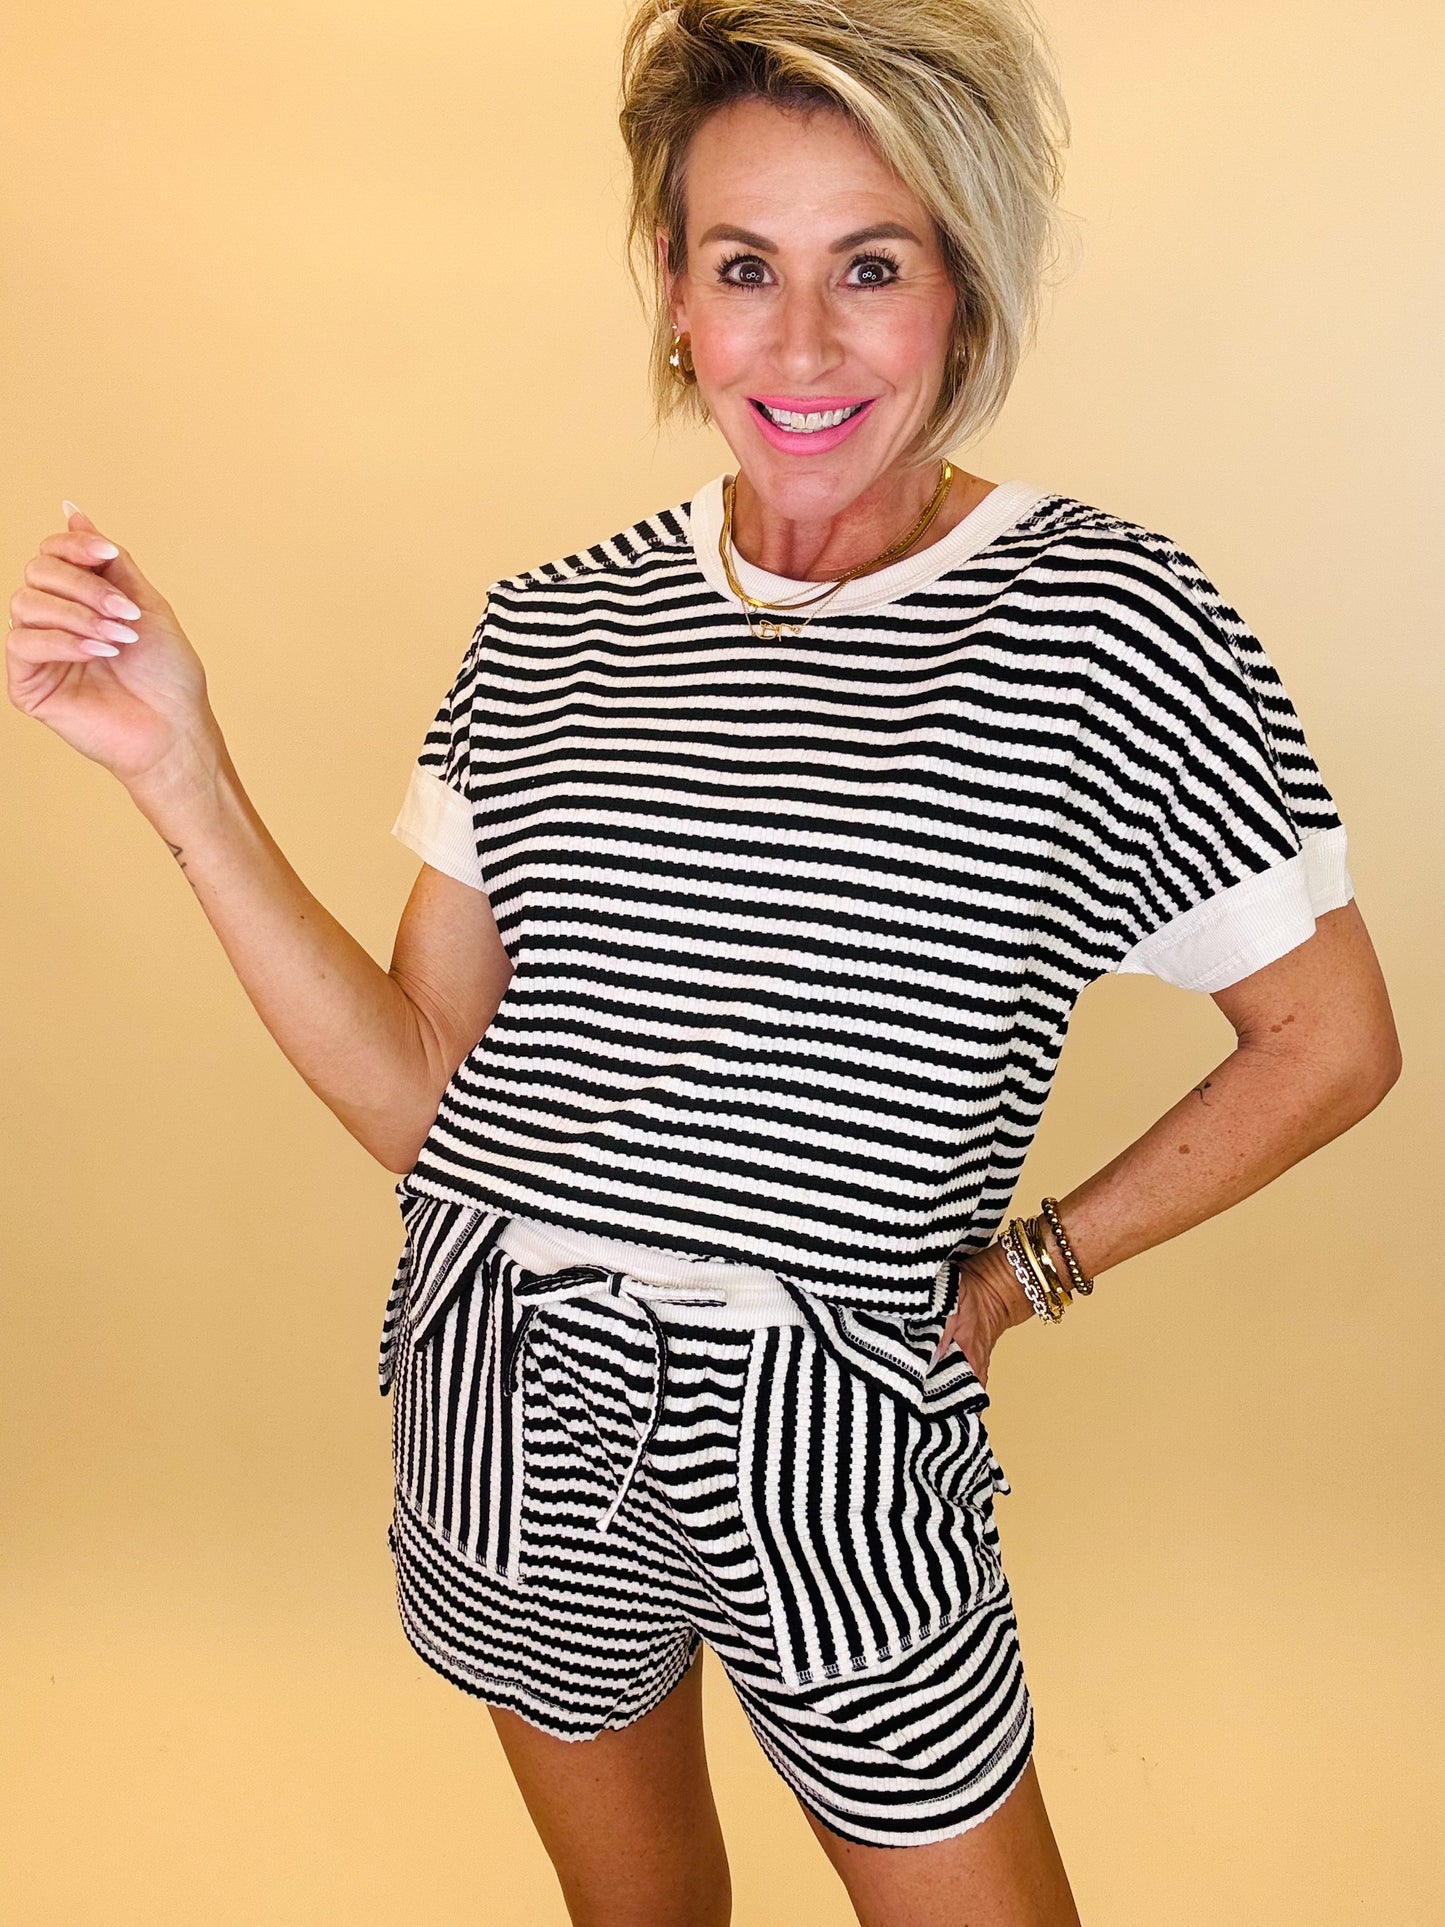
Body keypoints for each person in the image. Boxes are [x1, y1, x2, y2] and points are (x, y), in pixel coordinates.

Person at [7, 0, 1402, 1920]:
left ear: (960, 292)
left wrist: (1024, 1276)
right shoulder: (550, 629)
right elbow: (425, 1098)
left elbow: (1328, 1039)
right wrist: (183, 770)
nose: (801, 344)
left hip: (836, 1428)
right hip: (502, 1380)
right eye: (744, 267)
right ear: (673, 290)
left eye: (871, 267)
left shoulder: (1104, 623)